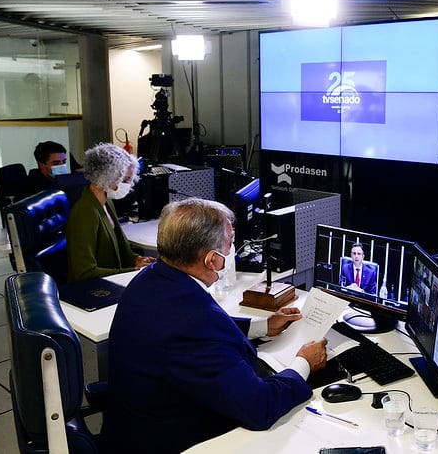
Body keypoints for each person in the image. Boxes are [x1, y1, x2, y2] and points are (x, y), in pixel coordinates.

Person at [101, 198, 328, 453]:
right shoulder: (193, 323)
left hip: (133, 426)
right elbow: (260, 408)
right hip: (175, 441)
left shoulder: (151, 278)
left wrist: (263, 326)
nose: (232, 252)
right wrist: (304, 363)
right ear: (212, 260)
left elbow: (199, 325)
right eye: (230, 244)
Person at [66, 142, 155, 282]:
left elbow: (119, 251)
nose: (128, 185)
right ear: (105, 176)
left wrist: (137, 260)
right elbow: (84, 272)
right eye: (124, 179)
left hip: (111, 282)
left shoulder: (107, 203)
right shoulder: (85, 212)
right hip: (94, 290)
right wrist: (133, 270)